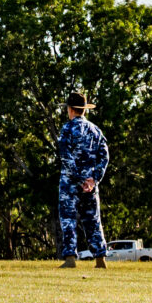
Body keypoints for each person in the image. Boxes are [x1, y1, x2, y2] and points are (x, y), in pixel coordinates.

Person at [56, 91, 111, 269]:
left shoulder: (67, 129)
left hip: (70, 184)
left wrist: (79, 179)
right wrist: (94, 179)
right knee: (93, 220)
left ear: (71, 110)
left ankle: (71, 257)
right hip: (90, 186)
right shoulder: (96, 130)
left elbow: (65, 157)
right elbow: (105, 156)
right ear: (84, 110)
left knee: (68, 219)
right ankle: (100, 258)